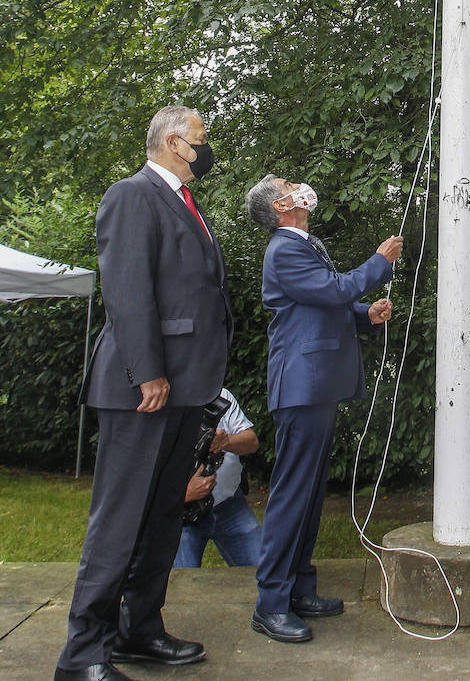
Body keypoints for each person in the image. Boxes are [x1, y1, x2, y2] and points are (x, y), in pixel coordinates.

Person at [55, 105, 233, 681]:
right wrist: (148, 371)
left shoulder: (186, 202)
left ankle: (139, 631)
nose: (206, 149)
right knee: (120, 521)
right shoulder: (132, 195)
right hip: (144, 388)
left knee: (162, 516)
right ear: (177, 143)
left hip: (185, 388)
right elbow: (126, 288)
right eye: (201, 139)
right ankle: (83, 655)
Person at [245, 175, 402, 644]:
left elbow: (321, 301)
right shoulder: (285, 248)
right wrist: (380, 262)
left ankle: (298, 589)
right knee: (293, 492)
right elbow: (333, 290)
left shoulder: (303, 244)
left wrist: (364, 314)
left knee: (310, 493)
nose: (298, 186)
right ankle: (270, 603)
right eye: (286, 184)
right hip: (301, 386)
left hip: (314, 383)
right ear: (279, 206)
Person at [173, 387, 262, 568]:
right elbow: (139, 477)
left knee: (264, 573)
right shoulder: (159, 403)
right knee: (182, 587)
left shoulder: (219, 396)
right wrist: (183, 494)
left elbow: (252, 442)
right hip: (181, 515)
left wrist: (227, 441)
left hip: (230, 504)